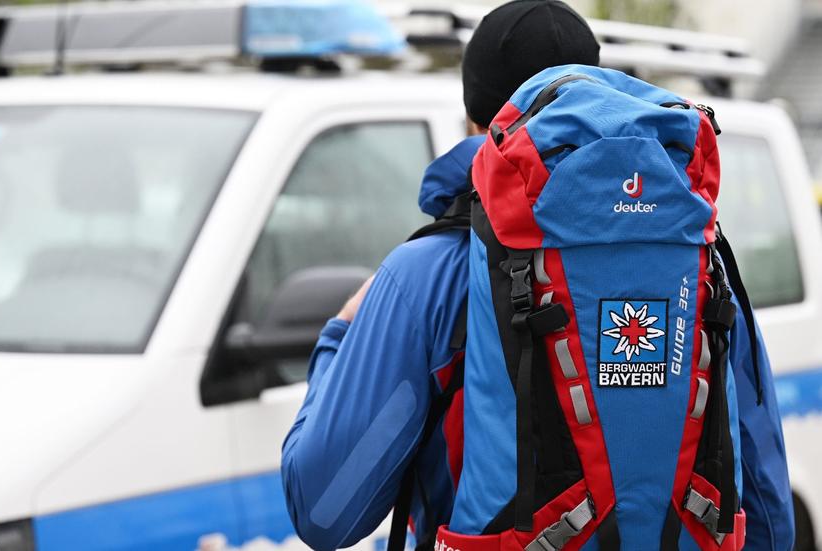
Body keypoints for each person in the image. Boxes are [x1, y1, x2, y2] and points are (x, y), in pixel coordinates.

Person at [280, 1, 795, 550]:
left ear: (474, 120)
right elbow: (768, 517)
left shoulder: (426, 274)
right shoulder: (696, 260)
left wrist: (338, 334)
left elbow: (325, 510)